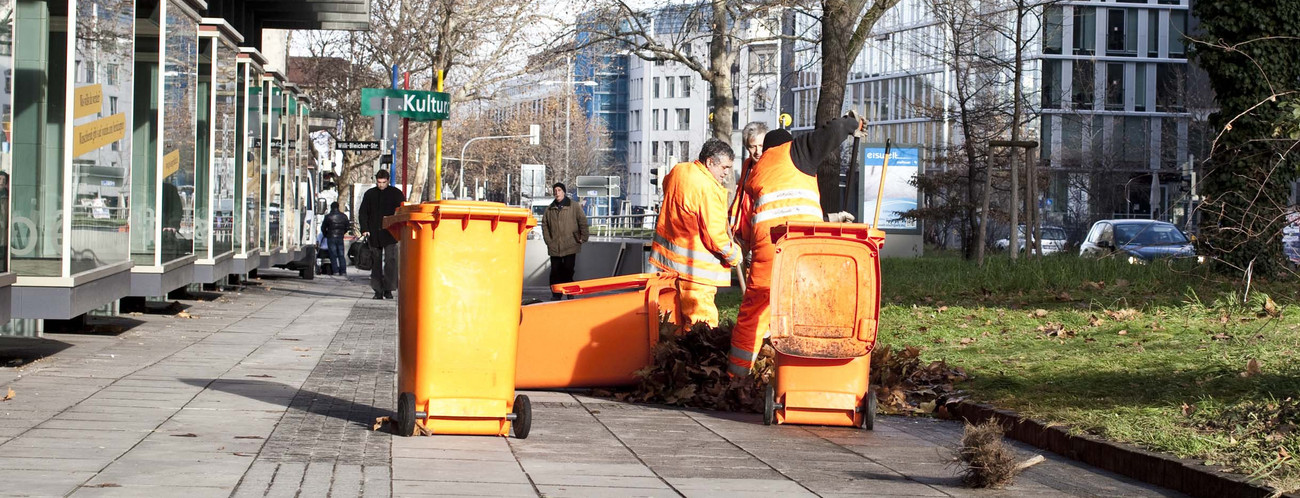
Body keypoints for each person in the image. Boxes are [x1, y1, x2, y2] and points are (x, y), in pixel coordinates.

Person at [728, 112, 865, 377]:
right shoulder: (795, 151)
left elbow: (772, 214)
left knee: (753, 312)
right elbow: (831, 132)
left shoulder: (757, 172)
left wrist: (828, 218)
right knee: (809, 308)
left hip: (766, 251)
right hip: (800, 250)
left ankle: (736, 377)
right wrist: (852, 124)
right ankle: (808, 373)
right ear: (786, 144)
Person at [650, 139, 742, 328]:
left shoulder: (679, 171)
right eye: (724, 167)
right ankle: (701, 358)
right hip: (696, 272)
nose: (727, 172)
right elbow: (716, 237)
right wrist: (735, 255)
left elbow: (668, 187)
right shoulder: (709, 189)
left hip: (668, 265)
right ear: (710, 162)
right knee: (702, 325)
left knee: (673, 322)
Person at [358, 169, 405, 299]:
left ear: (388, 181)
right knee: (375, 261)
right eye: (379, 182)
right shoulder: (370, 194)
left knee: (391, 260)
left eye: (383, 182)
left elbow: (401, 212)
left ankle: (389, 289)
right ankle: (378, 290)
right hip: (374, 232)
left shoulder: (396, 194)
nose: (381, 185)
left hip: (391, 233)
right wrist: (365, 229)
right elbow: (363, 212)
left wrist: (400, 229)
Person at [541, 182, 589, 301]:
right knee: (555, 271)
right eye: (555, 190)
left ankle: (569, 291)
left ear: (564, 192)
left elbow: (582, 221)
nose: (557, 193)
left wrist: (584, 236)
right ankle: (556, 294)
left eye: (559, 190)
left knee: (568, 270)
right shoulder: (550, 209)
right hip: (555, 246)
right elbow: (545, 225)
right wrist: (549, 241)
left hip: (570, 244)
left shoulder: (574, 206)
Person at [321, 201, 350, 276]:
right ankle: (343, 271)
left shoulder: (328, 216)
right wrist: (342, 233)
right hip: (340, 237)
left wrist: (326, 234)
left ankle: (335, 271)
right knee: (341, 254)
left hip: (331, 237)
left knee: (333, 255)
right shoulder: (343, 216)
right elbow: (347, 227)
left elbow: (323, 227)